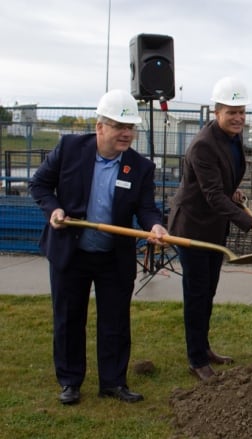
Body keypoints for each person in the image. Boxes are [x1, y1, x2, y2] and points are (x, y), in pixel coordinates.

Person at [29, 89, 168, 405]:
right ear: (99, 127)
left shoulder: (140, 167)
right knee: (68, 317)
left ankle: (113, 382)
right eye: (119, 126)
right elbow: (40, 185)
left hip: (112, 256)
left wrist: (155, 226)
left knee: (116, 320)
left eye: (130, 127)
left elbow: (145, 208)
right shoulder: (69, 149)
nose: (126, 134)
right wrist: (54, 210)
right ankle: (70, 382)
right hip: (71, 251)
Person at [167, 77, 252, 381]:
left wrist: (231, 190)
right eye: (231, 112)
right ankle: (196, 360)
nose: (238, 118)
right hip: (193, 228)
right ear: (216, 111)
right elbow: (210, 195)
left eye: (242, 112)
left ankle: (203, 347)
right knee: (197, 293)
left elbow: (221, 184)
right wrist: (251, 223)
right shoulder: (203, 146)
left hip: (213, 226)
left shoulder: (231, 139)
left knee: (207, 291)